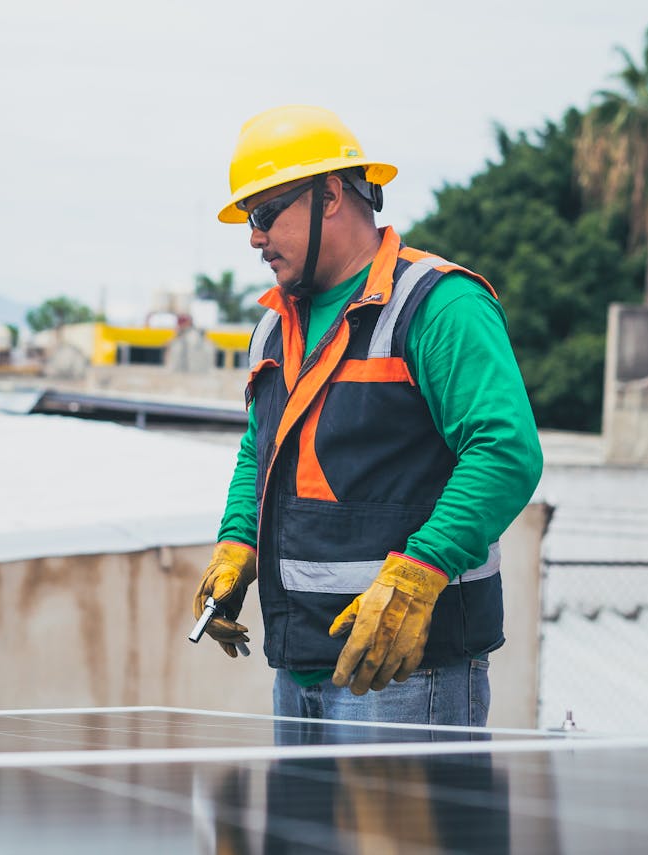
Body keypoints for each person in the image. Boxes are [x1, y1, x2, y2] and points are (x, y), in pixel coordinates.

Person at [192, 105, 543, 726]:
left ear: (329, 196)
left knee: (411, 830)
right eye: (249, 219)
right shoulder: (276, 325)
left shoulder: (438, 305)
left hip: (409, 674)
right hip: (297, 665)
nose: (254, 236)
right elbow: (261, 449)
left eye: (265, 213)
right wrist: (235, 544)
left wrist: (419, 573)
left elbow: (504, 450)